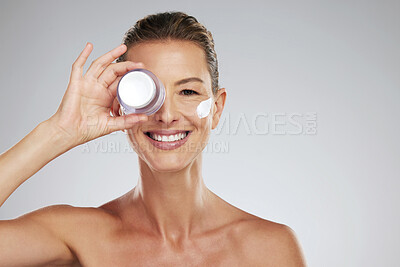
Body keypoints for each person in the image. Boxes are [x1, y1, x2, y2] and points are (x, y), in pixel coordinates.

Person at [0, 11, 306, 266]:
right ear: (120, 103)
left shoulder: (269, 248)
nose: (167, 114)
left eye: (188, 91)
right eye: (148, 92)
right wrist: (59, 131)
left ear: (216, 108)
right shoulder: (78, 236)